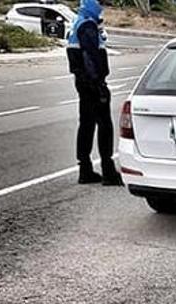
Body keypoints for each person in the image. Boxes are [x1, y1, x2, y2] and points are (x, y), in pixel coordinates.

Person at [67, 0, 121, 185]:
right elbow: (90, 57)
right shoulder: (88, 25)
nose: (102, 5)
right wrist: (98, 84)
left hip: (82, 81)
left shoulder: (79, 21)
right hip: (92, 82)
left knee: (87, 124)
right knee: (105, 125)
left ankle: (85, 169)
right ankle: (108, 170)